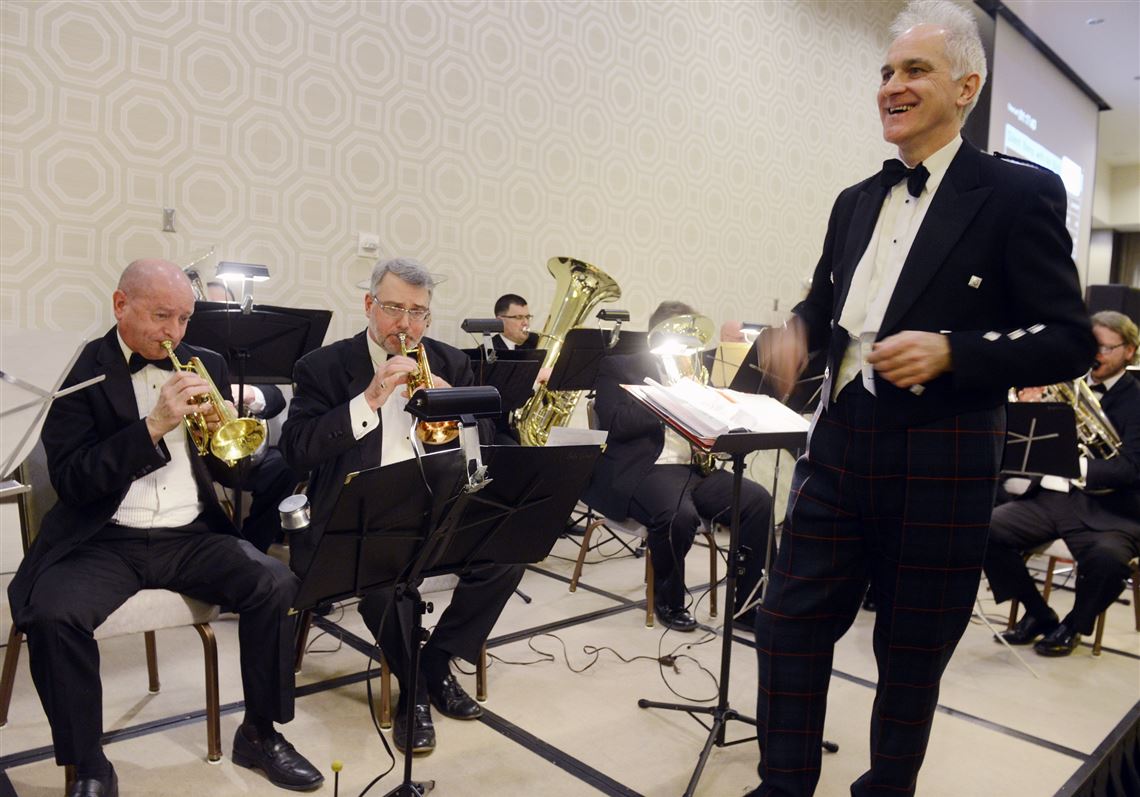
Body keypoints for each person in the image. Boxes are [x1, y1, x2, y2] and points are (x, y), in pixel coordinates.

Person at [747, 2, 1095, 795]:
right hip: (837, 450)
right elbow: (827, 302)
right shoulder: (853, 201)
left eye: (914, 70)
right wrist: (796, 331)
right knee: (787, 624)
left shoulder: (1016, 193)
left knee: (910, 654)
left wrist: (955, 352)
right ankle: (784, 783)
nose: (891, 86)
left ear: (967, 87)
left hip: (942, 458)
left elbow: (1069, 338)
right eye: (885, 72)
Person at [7, 260, 323, 797]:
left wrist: (230, 441)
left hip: (190, 534)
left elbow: (231, 470)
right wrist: (152, 426)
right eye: (160, 316)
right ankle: (88, 764)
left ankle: (260, 733)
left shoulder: (208, 364)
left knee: (274, 582)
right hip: (102, 538)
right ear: (119, 305)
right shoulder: (77, 370)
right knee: (54, 615)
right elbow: (73, 480)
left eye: (183, 318)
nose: (174, 333)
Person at [279, 257, 524, 755]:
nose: (406, 325)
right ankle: (414, 690)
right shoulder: (323, 366)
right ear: (369, 305)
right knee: (386, 583)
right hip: (355, 516)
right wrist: (368, 400)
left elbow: (489, 439)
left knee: (507, 555)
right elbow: (297, 449)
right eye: (394, 309)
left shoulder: (451, 361)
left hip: (436, 508)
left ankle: (436, 661)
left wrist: (459, 409)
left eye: (419, 313)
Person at [582, 301, 773, 631]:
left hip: (695, 467)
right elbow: (615, 423)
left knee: (757, 501)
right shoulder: (618, 367)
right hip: (645, 468)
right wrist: (667, 396)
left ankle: (746, 605)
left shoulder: (695, 370)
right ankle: (667, 601)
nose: (686, 345)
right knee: (677, 517)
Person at [986, 311, 1140, 656]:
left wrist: (1074, 463)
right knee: (984, 530)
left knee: (1108, 560)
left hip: (1112, 510)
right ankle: (1039, 613)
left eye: (1105, 347)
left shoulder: (1136, 400)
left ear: (1129, 351)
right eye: (1091, 346)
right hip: (1053, 500)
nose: (1095, 354)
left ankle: (1073, 625)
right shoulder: (1068, 385)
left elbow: (1133, 467)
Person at [201, 280, 296, 553]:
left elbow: (276, 399)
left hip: (246, 456)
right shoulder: (190, 355)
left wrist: (248, 394)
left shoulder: (244, 353)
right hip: (203, 457)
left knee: (288, 463)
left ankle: (254, 544)